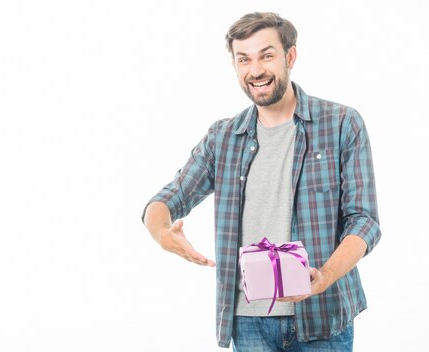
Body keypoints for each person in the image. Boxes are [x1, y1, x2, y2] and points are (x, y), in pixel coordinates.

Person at [141, 12, 380, 351]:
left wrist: (324, 276)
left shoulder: (342, 124)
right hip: (247, 322)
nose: (255, 70)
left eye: (267, 55)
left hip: (323, 316)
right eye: (244, 59)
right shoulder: (222, 137)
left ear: (290, 57)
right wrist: (163, 233)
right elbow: (166, 199)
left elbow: (365, 221)